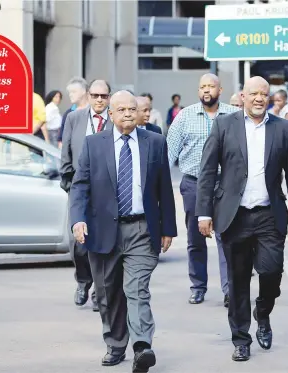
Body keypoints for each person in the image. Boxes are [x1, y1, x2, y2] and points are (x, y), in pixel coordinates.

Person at [195, 76, 288, 362]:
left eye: (264, 94)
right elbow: (208, 172)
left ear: (269, 99)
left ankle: (263, 311)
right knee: (238, 280)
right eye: (254, 93)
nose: (259, 98)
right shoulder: (224, 125)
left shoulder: (283, 129)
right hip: (234, 216)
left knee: (271, 271)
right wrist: (204, 212)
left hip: (270, 215)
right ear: (242, 96)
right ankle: (241, 339)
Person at [69, 90, 177, 371]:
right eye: (122, 110)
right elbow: (80, 185)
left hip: (142, 228)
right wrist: (77, 220)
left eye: (133, 109)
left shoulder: (154, 142)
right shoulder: (94, 144)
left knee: (137, 289)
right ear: (111, 114)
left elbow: (164, 187)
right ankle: (116, 345)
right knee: (108, 293)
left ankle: (142, 346)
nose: (128, 114)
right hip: (103, 231)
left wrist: (168, 228)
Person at [167, 74, 239, 307]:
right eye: (202, 87)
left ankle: (229, 289)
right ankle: (198, 286)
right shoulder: (184, 117)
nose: (206, 90)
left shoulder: (233, 115)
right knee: (195, 238)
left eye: (211, 86)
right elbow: (169, 153)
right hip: (194, 184)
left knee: (226, 237)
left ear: (220, 89)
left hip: (225, 184)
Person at [60, 79, 112, 311]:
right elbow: (66, 152)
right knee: (78, 242)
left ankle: (99, 292)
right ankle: (83, 281)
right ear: (88, 96)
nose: (99, 100)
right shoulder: (74, 118)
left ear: (109, 97)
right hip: (79, 188)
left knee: (103, 241)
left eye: (104, 96)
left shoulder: (115, 120)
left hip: (108, 191)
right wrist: (68, 181)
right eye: (95, 95)